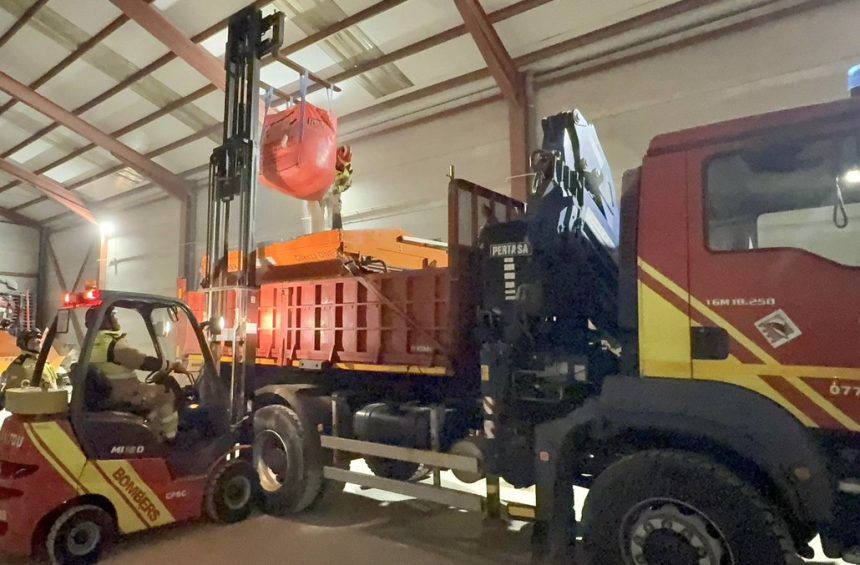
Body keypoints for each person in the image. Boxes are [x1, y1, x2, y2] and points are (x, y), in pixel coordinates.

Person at [85, 307, 188, 441]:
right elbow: (142, 361)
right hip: (125, 395)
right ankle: (170, 439)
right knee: (166, 395)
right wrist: (171, 365)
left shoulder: (91, 342)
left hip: (112, 393)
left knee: (153, 396)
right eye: (113, 315)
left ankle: (153, 429)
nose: (116, 318)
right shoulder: (111, 344)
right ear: (105, 320)